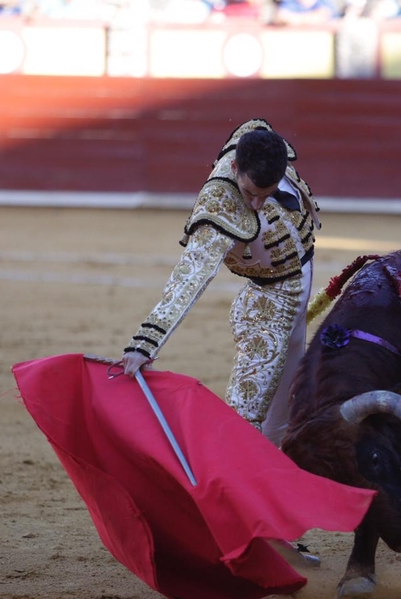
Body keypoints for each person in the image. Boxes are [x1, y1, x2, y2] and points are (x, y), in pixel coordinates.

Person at [121, 119, 320, 449]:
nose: (256, 204)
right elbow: (190, 275)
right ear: (234, 167)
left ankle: (276, 473)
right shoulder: (219, 205)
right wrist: (145, 343)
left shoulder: (260, 147)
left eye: (266, 196)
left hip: (300, 279)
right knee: (246, 417)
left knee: (286, 406)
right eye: (250, 194)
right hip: (267, 302)